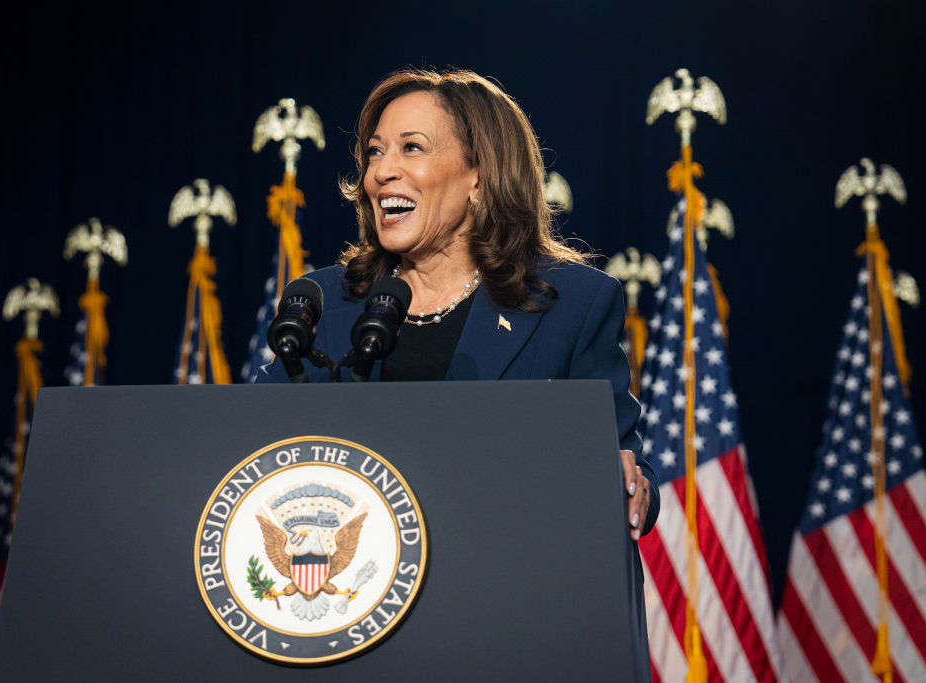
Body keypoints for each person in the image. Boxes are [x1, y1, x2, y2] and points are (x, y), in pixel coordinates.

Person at [257, 66, 659, 652]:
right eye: (375, 152)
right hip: (352, 626)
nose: (380, 172)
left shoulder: (570, 304)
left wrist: (630, 486)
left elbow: (622, 462)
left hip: (505, 621)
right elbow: (253, 446)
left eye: (411, 148)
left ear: (479, 176)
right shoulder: (324, 303)